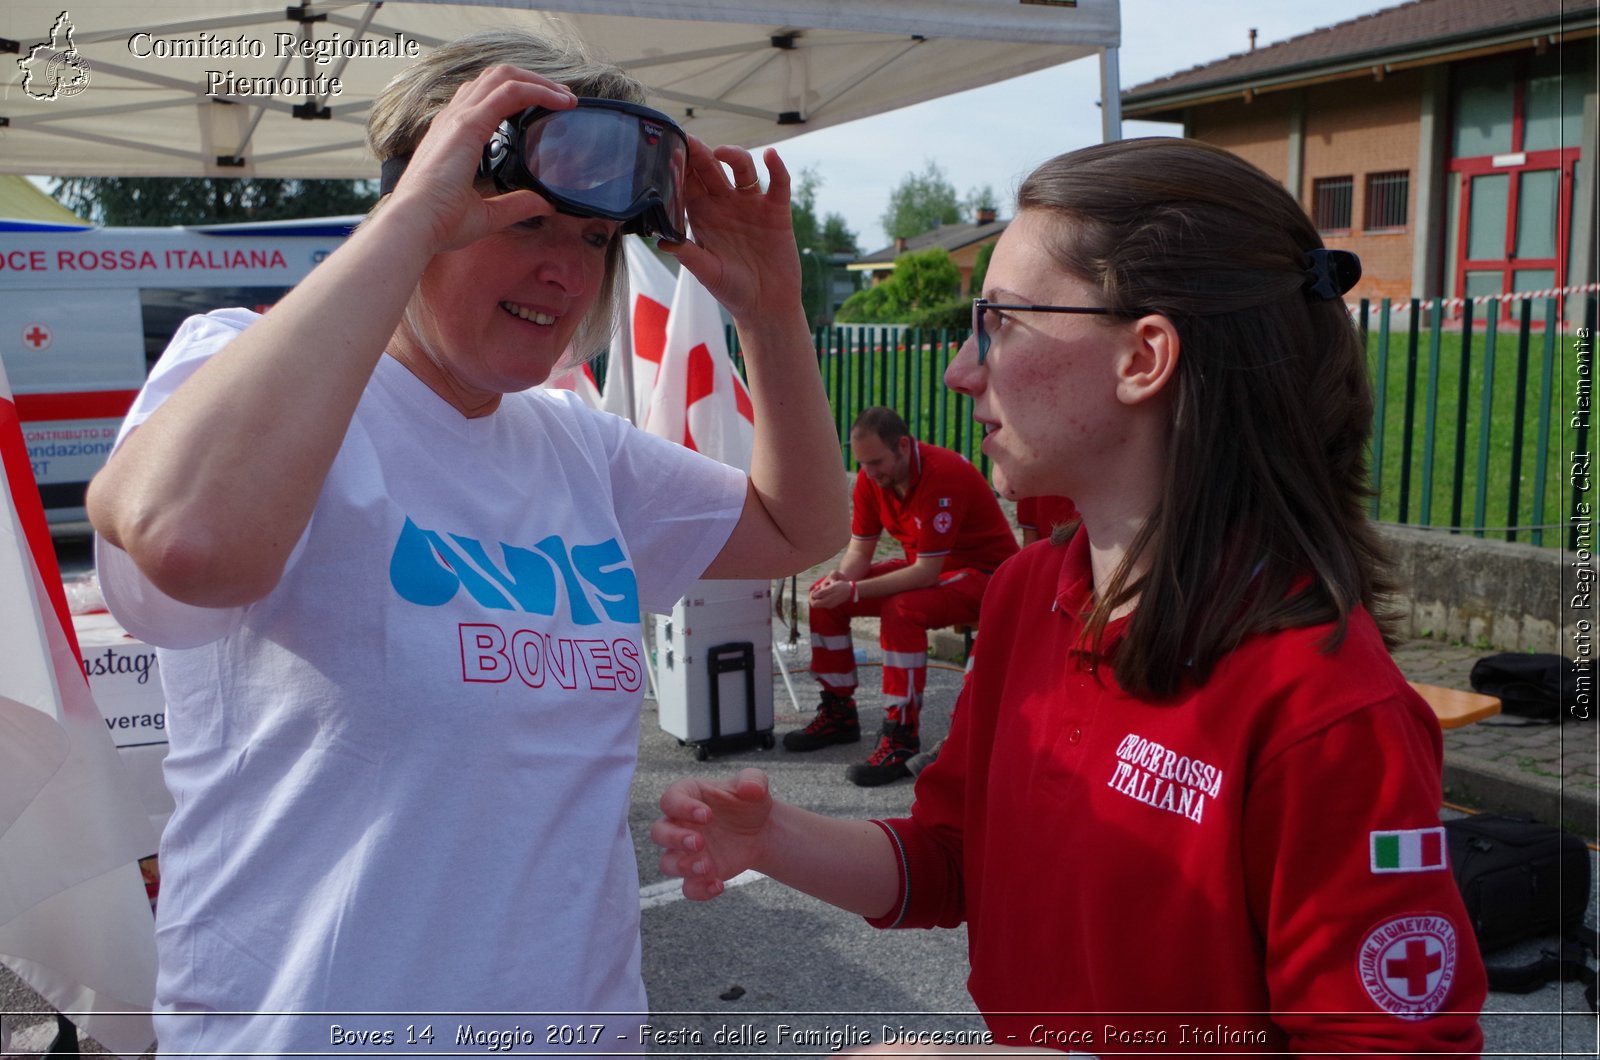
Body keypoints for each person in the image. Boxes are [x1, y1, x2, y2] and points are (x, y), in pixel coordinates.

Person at [85, 28, 847, 1056]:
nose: (564, 270)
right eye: (528, 220)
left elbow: (801, 525)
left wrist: (774, 313)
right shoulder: (250, 367)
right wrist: (403, 217)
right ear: (425, 201)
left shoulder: (579, 449)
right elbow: (189, 542)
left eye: (591, 240)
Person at [653, 138, 1487, 1051]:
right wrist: (773, 838)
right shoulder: (1027, 594)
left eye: (1000, 321)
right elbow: (953, 860)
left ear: (1145, 357)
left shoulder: (1326, 708)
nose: (960, 369)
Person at [784, 407, 1017, 786]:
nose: (870, 473)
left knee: (902, 609)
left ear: (904, 446)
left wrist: (855, 589)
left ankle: (901, 734)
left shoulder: (943, 474)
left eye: (877, 462)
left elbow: (924, 573)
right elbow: (860, 551)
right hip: (935, 572)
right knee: (824, 597)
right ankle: (838, 710)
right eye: (863, 464)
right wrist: (840, 579)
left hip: (987, 577)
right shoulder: (870, 479)